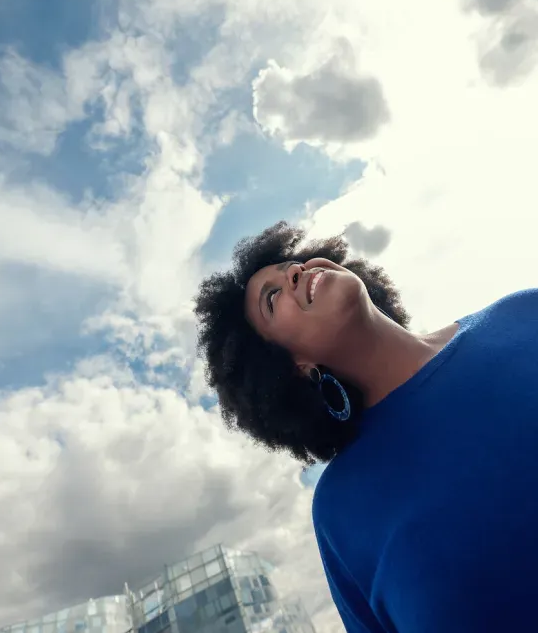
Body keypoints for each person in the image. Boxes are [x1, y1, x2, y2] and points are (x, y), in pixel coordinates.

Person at [193, 220, 538, 633]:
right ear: (294, 368)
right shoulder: (341, 514)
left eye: (290, 265)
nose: (294, 272)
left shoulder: (524, 313)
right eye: (272, 299)